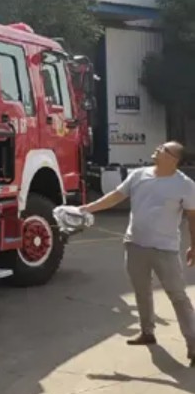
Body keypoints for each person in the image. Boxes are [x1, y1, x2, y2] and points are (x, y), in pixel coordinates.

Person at [80, 141, 195, 366]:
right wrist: (86, 209)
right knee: (141, 291)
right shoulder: (139, 175)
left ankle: (193, 344)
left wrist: (194, 245)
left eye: (163, 148)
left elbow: (193, 216)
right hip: (135, 244)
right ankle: (147, 332)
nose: (158, 148)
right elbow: (115, 196)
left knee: (178, 297)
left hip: (166, 249)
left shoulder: (185, 185)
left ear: (173, 159)